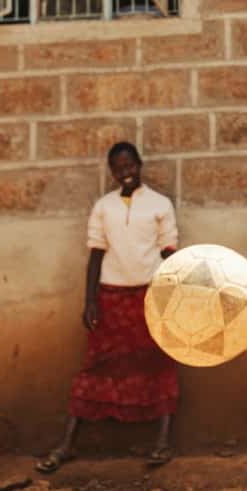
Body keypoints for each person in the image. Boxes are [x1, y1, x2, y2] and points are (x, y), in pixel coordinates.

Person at [35, 142, 180, 474]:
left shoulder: (159, 205)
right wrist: (89, 301)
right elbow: (96, 256)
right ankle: (68, 444)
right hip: (111, 298)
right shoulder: (104, 207)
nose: (125, 171)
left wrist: (173, 296)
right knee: (95, 367)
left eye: (129, 164)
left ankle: (162, 442)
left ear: (139, 164)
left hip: (151, 295)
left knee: (158, 362)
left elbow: (169, 252)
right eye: (118, 167)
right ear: (112, 172)